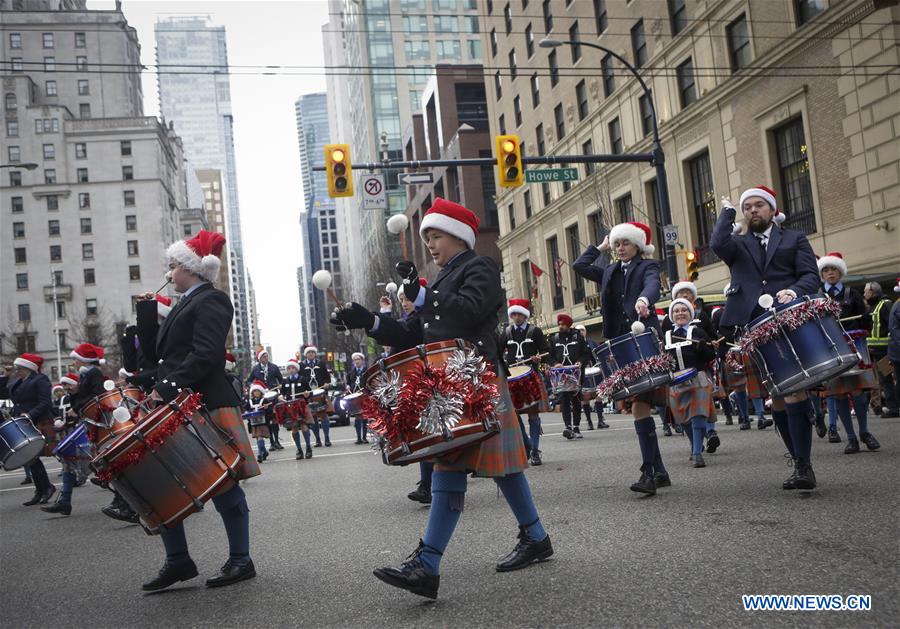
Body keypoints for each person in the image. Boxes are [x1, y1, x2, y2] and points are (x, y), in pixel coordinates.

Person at [331, 197, 552, 600]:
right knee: (493, 467)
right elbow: (410, 334)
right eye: (426, 237)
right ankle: (535, 536)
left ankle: (427, 563)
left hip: (476, 374)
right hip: (451, 378)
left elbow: (468, 312)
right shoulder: (440, 281)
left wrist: (420, 294)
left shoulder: (480, 266)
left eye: (435, 236)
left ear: (457, 235)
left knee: (450, 462)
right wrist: (369, 320)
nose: (430, 244)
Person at [138, 229, 260, 591]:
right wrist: (146, 315)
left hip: (204, 399)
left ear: (191, 268)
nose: (169, 273)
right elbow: (153, 357)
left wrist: (167, 387)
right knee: (163, 483)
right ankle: (178, 561)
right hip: (178, 402)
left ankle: (241, 559)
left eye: (173, 265)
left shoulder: (212, 300)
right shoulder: (182, 304)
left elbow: (206, 355)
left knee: (223, 482)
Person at [711, 186, 821, 490]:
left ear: (772, 210)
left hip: (789, 319)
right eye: (748, 208)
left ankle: (803, 465)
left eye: (759, 206)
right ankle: (799, 458)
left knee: (794, 389)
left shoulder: (794, 238)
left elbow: (811, 276)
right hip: (754, 323)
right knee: (778, 394)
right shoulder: (737, 243)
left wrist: (795, 291)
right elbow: (716, 243)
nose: (753, 211)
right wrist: (727, 213)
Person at [573, 221, 671, 495]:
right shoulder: (609, 271)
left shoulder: (648, 266)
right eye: (617, 244)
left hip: (643, 341)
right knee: (638, 402)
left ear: (637, 245)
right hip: (620, 342)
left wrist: (644, 300)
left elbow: (652, 285)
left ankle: (650, 473)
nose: (620, 248)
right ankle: (659, 471)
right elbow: (579, 266)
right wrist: (600, 248)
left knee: (641, 403)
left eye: (624, 242)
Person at [817, 252, 880, 454]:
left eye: (833, 269)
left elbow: (866, 321)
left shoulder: (852, 294)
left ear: (840, 272)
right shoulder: (817, 296)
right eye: (826, 270)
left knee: (859, 391)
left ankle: (864, 432)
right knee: (839, 393)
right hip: (831, 349)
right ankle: (851, 438)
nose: (830, 273)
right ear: (822, 274)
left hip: (856, 346)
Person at [663, 299, 719, 467]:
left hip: (698, 378)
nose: (680, 313)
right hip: (676, 381)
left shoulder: (699, 332)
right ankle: (696, 444)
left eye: (684, 310)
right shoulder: (666, 336)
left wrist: (704, 348)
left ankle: (696, 453)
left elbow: (710, 356)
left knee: (698, 415)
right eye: (676, 311)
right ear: (672, 316)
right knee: (683, 420)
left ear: (690, 314)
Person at [0, 353, 56, 506]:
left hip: (38, 419)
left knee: (33, 457)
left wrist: (30, 415)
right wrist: (6, 376)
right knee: (30, 459)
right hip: (24, 422)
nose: (17, 370)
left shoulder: (40, 379)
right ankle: (42, 490)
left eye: (19, 368)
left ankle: (46, 488)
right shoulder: (18, 381)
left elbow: (45, 402)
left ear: (28, 368)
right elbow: (4, 392)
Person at [503, 299, 550, 465]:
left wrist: (539, 358)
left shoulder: (534, 331)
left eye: (518, 314)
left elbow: (546, 351)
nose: (516, 317)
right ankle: (527, 445)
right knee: (515, 415)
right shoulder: (507, 332)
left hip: (530, 376)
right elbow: (499, 350)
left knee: (533, 413)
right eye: (513, 314)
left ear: (524, 315)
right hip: (512, 378)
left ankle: (535, 450)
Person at [549, 314, 589, 439]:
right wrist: (555, 363)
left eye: (563, 324)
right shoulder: (554, 338)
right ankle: (568, 426)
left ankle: (576, 426)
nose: (561, 326)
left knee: (576, 399)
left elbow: (586, 354)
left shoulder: (578, 336)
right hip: (561, 375)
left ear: (569, 325)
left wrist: (580, 362)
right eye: (559, 324)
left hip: (576, 374)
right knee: (564, 400)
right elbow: (549, 356)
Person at [864, 282, 898, 417]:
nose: (864, 294)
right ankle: (891, 406)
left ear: (872, 292)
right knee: (884, 379)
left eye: (866, 291)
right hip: (876, 350)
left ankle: (894, 408)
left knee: (887, 379)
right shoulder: (874, 306)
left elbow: (892, 326)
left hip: (884, 350)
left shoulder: (885, 304)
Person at [246, 350, 283, 451]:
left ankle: (277, 441)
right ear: (259, 358)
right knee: (267, 420)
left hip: (273, 396)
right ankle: (271, 442)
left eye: (267, 356)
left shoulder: (274, 367)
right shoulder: (255, 369)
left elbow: (281, 380)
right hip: (262, 398)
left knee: (275, 419)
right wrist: (253, 386)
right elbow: (248, 381)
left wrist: (280, 386)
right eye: (264, 357)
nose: (266, 358)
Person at [574, 324, 608, 430]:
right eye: (578, 331)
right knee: (585, 398)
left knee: (599, 395)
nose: (581, 332)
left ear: (586, 332)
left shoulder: (591, 342)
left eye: (582, 330)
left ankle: (600, 420)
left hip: (595, 370)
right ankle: (589, 422)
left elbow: (599, 354)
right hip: (582, 372)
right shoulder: (574, 344)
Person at [299, 346, 333, 447]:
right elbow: (300, 380)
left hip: (321, 393)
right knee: (313, 417)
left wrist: (327, 383)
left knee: (323, 416)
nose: (311, 354)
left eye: (312, 352)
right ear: (306, 354)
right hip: (309, 395)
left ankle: (327, 438)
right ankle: (318, 439)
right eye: (309, 352)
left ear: (315, 354)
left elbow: (327, 377)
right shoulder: (301, 366)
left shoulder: (321, 364)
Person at [281, 358, 313, 460]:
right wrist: (280, 397)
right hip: (290, 408)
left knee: (304, 426)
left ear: (296, 369)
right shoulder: (285, 381)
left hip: (301, 406)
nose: (291, 370)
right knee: (294, 428)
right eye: (289, 368)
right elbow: (282, 393)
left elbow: (310, 392)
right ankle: (299, 449)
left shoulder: (302, 379)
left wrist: (307, 394)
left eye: (293, 368)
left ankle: (308, 448)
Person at [244, 380, 274, 463]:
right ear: (252, 393)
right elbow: (245, 409)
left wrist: (266, 408)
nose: (256, 393)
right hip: (254, 424)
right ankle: (264, 452)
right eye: (254, 391)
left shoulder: (265, 401)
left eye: (258, 391)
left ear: (261, 392)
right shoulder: (249, 402)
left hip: (263, 423)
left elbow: (271, 411)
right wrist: (247, 412)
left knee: (260, 437)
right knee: (258, 438)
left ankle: (260, 454)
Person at [347, 352, 370, 445]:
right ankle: (358, 438)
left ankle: (364, 437)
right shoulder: (351, 373)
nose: (357, 361)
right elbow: (348, 383)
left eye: (358, 359)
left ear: (362, 361)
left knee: (364, 417)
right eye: (355, 360)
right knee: (357, 418)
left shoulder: (366, 371)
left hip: (364, 395)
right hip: (354, 397)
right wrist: (348, 387)